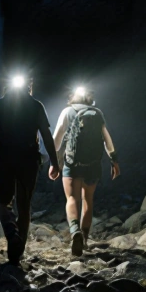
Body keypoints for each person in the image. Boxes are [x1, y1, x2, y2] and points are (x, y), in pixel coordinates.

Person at [0, 74, 61, 264]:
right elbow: (46, 135)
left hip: (5, 158)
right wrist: (55, 162)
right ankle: (18, 251)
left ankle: (11, 233)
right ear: (29, 86)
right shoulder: (36, 105)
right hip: (29, 160)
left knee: (4, 202)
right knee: (24, 206)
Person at [52, 87, 119, 257]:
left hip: (72, 164)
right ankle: (86, 239)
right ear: (89, 98)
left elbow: (56, 139)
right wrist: (114, 160)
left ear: (72, 97)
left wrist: (54, 163)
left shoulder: (67, 111)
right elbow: (107, 139)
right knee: (87, 199)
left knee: (72, 198)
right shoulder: (97, 113)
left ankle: (75, 232)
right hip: (93, 164)